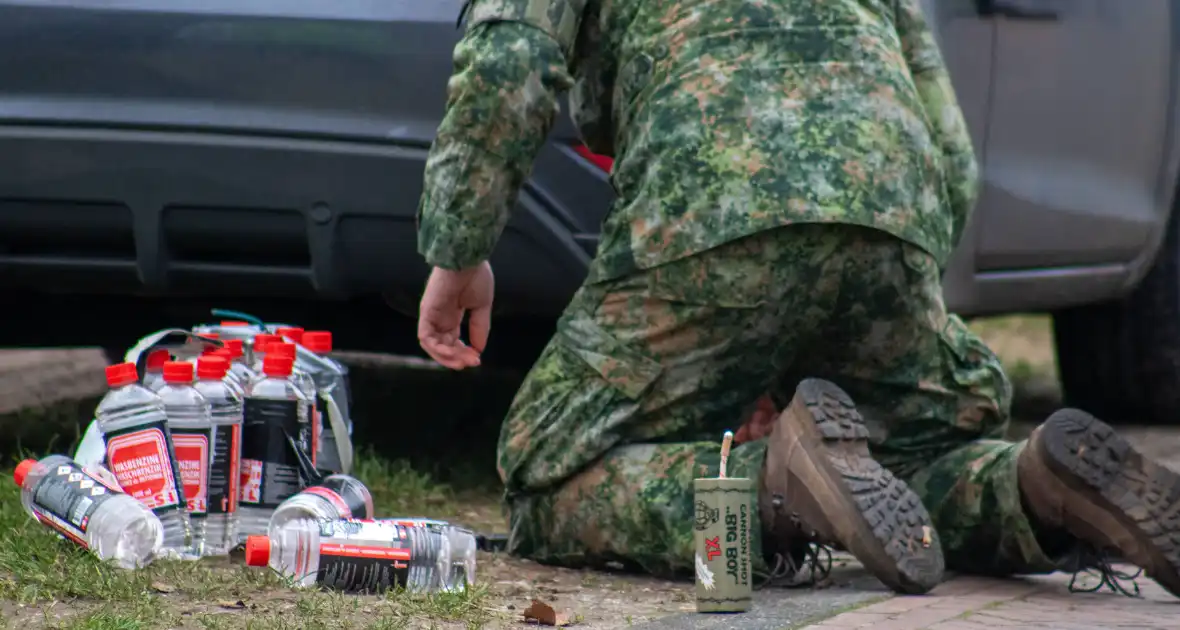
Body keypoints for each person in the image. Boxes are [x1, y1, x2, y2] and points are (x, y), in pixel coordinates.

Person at [414, 0, 1180, 597]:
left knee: (546, 470)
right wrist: (886, 293)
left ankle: (775, 490)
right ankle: (1031, 487)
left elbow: (509, 64)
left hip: (710, 211)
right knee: (911, 451)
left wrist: (459, 252)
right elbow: (952, 146)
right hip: (891, 201)